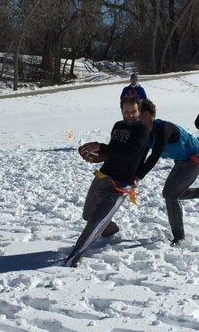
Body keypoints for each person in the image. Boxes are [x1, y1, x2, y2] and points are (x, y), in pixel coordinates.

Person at [64, 96, 149, 267]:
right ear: (121, 111)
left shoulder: (142, 130)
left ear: (139, 111)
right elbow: (113, 151)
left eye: (133, 111)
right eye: (126, 111)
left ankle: (75, 256)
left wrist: (100, 146)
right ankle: (110, 229)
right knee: (88, 215)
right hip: (104, 175)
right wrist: (95, 156)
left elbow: (127, 153)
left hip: (121, 183)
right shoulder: (118, 126)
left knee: (96, 221)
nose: (130, 115)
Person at [137, 99, 199, 246]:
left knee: (170, 194)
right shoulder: (146, 132)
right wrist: (132, 174)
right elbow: (142, 155)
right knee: (174, 193)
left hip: (195, 158)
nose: (134, 117)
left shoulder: (163, 128)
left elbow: (154, 155)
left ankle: (179, 237)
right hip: (182, 160)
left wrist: (138, 177)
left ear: (146, 114)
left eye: (137, 113)